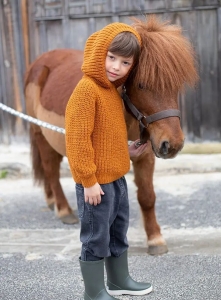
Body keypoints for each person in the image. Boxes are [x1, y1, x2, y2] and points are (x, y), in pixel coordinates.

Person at [65, 22, 152, 300]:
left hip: (117, 180)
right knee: (95, 237)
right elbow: (78, 142)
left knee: (117, 231)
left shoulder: (112, 92)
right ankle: (94, 292)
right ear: (98, 53)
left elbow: (103, 136)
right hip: (96, 186)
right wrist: (88, 181)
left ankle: (119, 280)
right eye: (111, 57)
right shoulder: (86, 90)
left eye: (125, 62)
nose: (116, 66)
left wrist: (125, 149)